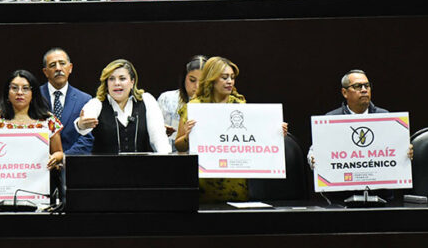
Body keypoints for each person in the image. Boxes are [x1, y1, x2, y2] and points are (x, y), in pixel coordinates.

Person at [175, 56, 288, 202]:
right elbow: (179, 146)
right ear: (212, 79)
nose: (230, 81)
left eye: (232, 77)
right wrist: (188, 138)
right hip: (203, 181)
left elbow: (255, 138)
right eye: (224, 77)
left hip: (236, 182)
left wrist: (276, 134)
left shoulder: (240, 106)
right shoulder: (195, 107)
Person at [0, 70, 64, 170]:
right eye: (14, 88)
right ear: (7, 93)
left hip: (38, 180)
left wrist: (54, 158)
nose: (19, 93)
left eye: (25, 88)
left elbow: (59, 152)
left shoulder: (48, 120)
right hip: (1, 179)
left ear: (33, 94)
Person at [75, 59, 171, 154]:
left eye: (122, 78)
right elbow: (84, 120)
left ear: (132, 82)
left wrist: (165, 162)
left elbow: (159, 138)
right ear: (106, 83)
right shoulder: (96, 103)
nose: (117, 83)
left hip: (142, 167)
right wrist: (81, 124)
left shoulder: (147, 100)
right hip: (105, 167)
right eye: (111, 79)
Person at [40, 48, 94, 154]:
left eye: (62, 63)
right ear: (45, 72)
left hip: (73, 164)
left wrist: (63, 158)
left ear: (70, 68)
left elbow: (87, 139)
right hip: (40, 164)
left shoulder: (84, 99)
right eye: (52, 65)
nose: (58, 68)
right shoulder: (34, 97)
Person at [157, 55, 206, 151]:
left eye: (202, 82)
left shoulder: (214, 102)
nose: (197, 86)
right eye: (192, 80)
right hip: (170, 157)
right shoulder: (167, 99)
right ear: (184, 78)